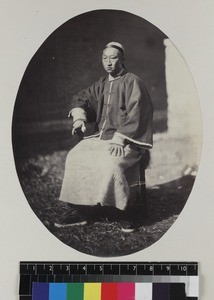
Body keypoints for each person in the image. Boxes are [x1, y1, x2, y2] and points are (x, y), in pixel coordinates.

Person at [55, 42, 153, 231]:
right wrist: (79, 119)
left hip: (127, 141)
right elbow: (82, 98)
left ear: (122, 59)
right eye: (105, 58)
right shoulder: (101, 84)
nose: (108, 62)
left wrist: (120, 138)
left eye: (113, 57)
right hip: (101, 138)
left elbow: (139, 111)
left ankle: (126, 211)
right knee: (75, 156)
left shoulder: (133, 81)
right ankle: (81, 210)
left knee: (111, 163)